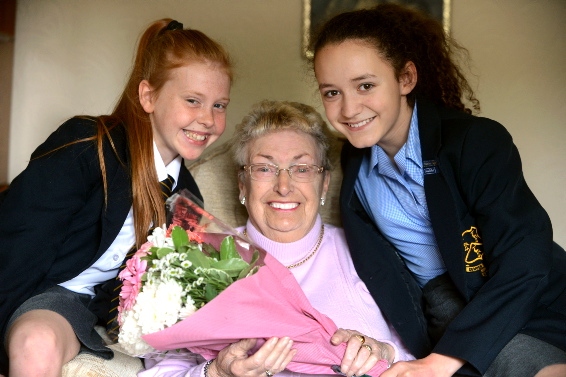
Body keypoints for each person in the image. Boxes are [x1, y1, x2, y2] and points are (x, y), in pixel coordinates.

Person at [310, 3, 566, 377]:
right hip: (447, 311)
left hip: (534, 297)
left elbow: (526, 261)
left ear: (406, 78)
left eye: (365, 85)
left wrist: (439, 363)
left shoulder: (475, 142)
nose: (349, 109)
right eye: (331, 92)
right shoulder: (352, 167)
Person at [0, 18, 232, 377]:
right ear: (148, 96)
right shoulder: (88, 145)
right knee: (36, 342)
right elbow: (16, 244)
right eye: (193, 101)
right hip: (42, 290)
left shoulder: (188, 197)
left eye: (220, 105)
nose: (208, 119)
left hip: (97, 310)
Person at [140, 100, 415, 377]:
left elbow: (423, 353)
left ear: (325, 183)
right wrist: (218, 373)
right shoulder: (203, 261)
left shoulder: (366, 252)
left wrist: (386, 352)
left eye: (302, 169)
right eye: (264, 169)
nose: (284, 187)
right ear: (242, 185)